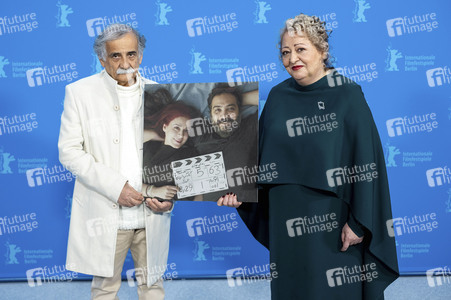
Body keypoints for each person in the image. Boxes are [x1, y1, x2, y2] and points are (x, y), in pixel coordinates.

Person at [220, 13, 399, 299]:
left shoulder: (348, 94)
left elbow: (368, 163)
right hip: (283, 219)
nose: (292, 59)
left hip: (331, 223)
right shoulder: (278, 96)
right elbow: (259, 161)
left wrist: (358, 222)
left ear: (322, 50)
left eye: (300, 49)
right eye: (285, 52)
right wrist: (239, 194)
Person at [58, 23, 172, 299]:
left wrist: (170, 194)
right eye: (115, 56)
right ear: (102, 58)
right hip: (106, 211)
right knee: (105, 289)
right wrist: (115, 187)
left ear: (140, 56)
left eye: (131, 54)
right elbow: (69, 151)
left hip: (152, 211)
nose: (124, 63)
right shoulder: (80, 93)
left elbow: (173, 152)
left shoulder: (161, 93)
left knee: (153, 286)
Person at [193, 83, 259, 202]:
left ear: (240, 110)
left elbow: (272, 97)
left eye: (231, 109)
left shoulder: (250, 128)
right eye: (217, 110)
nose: (224, 115)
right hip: (206, 209)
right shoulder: (199, 135)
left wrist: (240, 98)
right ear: (210, 115)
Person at [143, 101, 201, 201]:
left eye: (186, 130)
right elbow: (130, 182)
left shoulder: (191, 154)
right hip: (145, 206)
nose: (181, 135)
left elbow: (199, 192)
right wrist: (154, 191)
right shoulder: (149, 146)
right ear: (165, 127)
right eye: (176, 128)